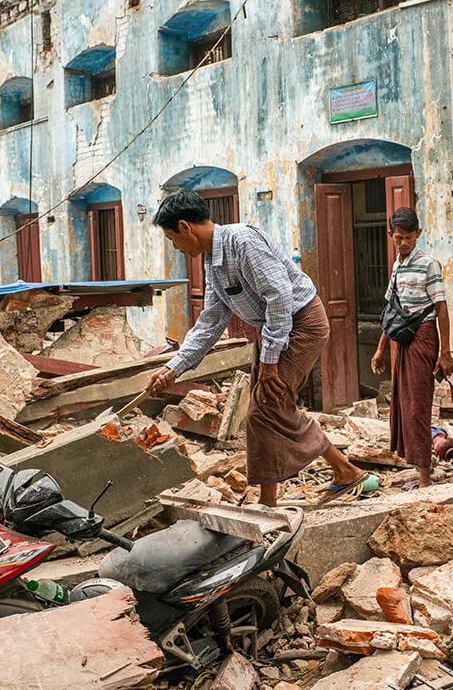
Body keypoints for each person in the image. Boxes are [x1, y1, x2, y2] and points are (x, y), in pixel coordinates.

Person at [145, 189, 371, 507]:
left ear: (185, 227)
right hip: (275, 329)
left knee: (264, 409)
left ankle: (274, 500)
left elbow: (279, 296)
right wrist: (173, 368)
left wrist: (270, 363)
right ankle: (338, 472)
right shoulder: (212, 262)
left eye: (172, 239)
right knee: (269, 407)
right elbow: (210, 322)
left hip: (301, 323)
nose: (176, 247)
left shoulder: (242, 242)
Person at [370, 207, 453, 489]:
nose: (404, 243)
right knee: (402, 403)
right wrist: (381, 348)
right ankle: (415, 466)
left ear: (418, 234)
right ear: (391, 235)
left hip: (423, 336)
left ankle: (425, 478)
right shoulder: (397, 265)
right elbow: (391, 309)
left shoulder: (429, 264)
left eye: (409, 238)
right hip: (401, 337)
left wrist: (446, 353)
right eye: (399, 238)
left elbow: (441, 309)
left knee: (418, 405)